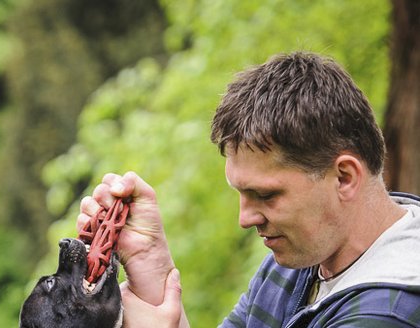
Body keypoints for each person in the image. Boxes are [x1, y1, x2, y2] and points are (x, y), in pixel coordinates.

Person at [77, 52, 420, 327]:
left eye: (266, 195)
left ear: (344, 177)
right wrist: (151, 267)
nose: (244, 218)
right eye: (240, 192)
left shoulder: (389, 313)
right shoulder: (300, 260)